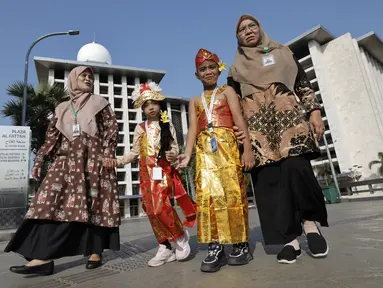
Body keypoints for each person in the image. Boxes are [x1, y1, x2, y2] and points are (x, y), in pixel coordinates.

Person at [227, 14, 329, 264]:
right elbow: (234, 106)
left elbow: (302, 84)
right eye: (242, 30)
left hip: (291, 123)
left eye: (252, 26)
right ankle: (289, 239)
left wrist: (314, 112)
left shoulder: (283, 52)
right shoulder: (236, 67)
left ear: (261, 28)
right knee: (271, 182)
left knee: (299, 169)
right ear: (237, 37)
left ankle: (309, 224)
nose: (248, 31)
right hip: (258, 132)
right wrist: (243, 141)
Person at [5, 66, 120, 275]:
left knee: (93, 206)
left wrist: (109, 154)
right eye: (83, 75)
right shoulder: (61, 108)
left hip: (93, 163)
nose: (87, 78)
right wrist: (39, 161)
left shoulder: (100, 103)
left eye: (90, 76)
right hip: (65, 163)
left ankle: (95, 250)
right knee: (47, 204)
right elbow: (51, 139)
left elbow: (111, 130)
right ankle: (41, 256)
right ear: (73, 79)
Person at [177, 48, 255, 273]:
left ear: (219, 68)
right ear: (196, 75)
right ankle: (215, 246)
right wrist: (187, 153)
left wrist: (247, 149)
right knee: (208, 197)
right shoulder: (194, 100)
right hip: (204, 153)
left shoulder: (227, 91)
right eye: (203, 69)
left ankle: (240, 244)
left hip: (228, 148)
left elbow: (239, 120)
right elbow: (192, 128)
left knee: (233, 193)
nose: (208, 72)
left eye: (212, 67)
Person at [117, 82, 197, 267]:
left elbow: (175, 149)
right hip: (145, 174)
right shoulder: (140, 128)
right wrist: (117, 161)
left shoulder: (167, 125)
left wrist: (172, 155)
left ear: (160, 104)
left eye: (154, 102)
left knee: (161, 207)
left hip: (162, 172)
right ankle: (164, 246)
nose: (151, 107)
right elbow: (134, 152)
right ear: (142, 109)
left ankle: (179, 236)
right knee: (150, 209)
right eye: (146, 105)